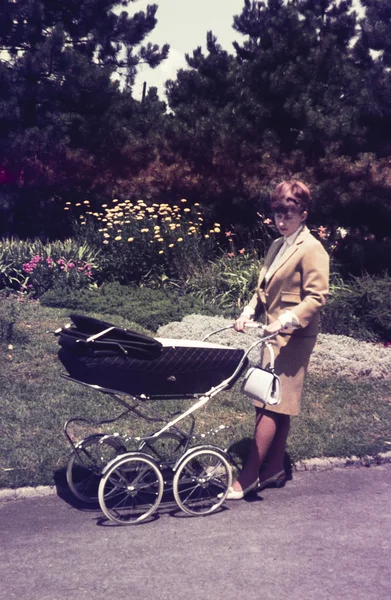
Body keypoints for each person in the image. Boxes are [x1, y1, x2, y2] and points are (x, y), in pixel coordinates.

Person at [227, 180, 329, 500]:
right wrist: (247, 313)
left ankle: (248, 477)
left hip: (295, 336)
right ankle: (274, 470)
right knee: (272, 400)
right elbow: (263, 290)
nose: (282, 221)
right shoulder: (276, 245)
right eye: (278, 215)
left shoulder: (312, 249)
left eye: (289, 215)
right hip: (272, 334)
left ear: (303, 214)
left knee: (269, 403)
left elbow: (316, 298)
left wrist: (283, 321)